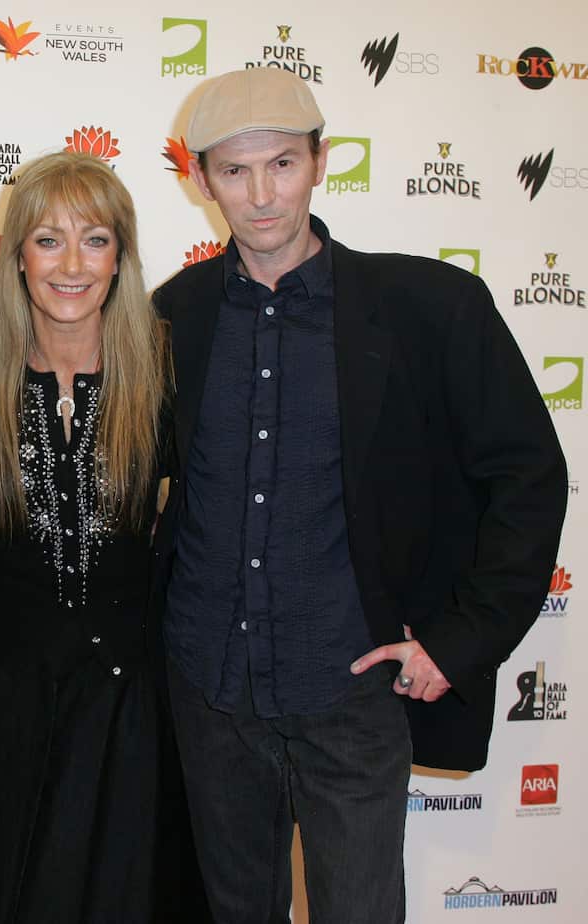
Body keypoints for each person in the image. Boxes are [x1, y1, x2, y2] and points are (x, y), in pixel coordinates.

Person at [153, 67, 567, 923]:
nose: (261, 195)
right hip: (208, 693)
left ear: (321, 161)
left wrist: (461, 641)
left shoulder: (430, 308)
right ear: (201, 180)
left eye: (281, 164)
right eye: (234, 171)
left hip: (352, 694)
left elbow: (529, 475)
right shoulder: (172, 317)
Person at [0, 151, 206, 923]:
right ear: (15, 258)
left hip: (131, 703)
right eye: (47, 240)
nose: (72, 264)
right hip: (4, 699)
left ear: (122, 257)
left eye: (95, 239)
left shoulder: (173, 371)